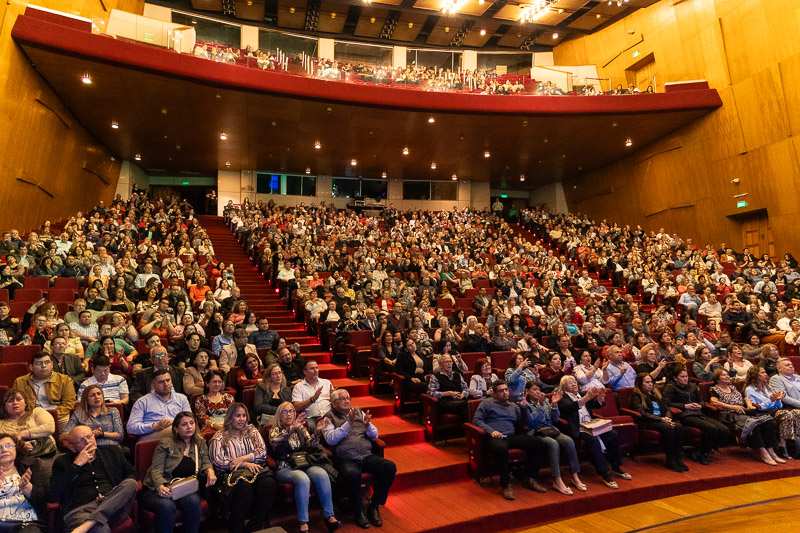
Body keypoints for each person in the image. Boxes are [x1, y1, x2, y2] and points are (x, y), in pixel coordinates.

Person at [323, 389, 396, 529]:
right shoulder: (328, 417)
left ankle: (374, 506)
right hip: (346, 459)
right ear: (333, 403)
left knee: (389, 467)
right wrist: (348, 423)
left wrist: (368, 425)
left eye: (348, 398)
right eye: (342, 398)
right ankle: (358, 512)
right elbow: (331, 439)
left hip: (366, 455)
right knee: (352, 474)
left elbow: (374, 436)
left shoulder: (358, 412)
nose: (346, 401)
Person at [49, 425, 138, 533]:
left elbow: (131, 474)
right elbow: (53, 495)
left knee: (131, 483)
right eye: (82, 440)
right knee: (100, 528)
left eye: (89, 436)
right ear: (72, 447)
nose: (88, 441)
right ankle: (93, 522)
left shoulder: (112, 452)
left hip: (113, 508)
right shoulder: (62, 462)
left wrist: (115, 492)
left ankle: (89, 523)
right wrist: (76, 466)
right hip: (80, 512)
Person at [269, 402, 341, 532]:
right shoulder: (274, 430)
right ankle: (303, 522)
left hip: (303, 463)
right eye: (285, 412)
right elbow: (275, 441)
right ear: (279, 415)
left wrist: (317, 432)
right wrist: (291, 429)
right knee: (303, 479)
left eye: (291, 411)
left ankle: (329, 516)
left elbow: (311, 445)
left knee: (322, 474)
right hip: (285, 467)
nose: (289, 414)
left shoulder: (301, 428)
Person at [142, 412, 216, 533]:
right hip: (159, 489)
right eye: (184, 424)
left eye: (192, 423)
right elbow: (156, 469)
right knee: (167, 506)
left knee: (193, 501)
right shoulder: (166, 443)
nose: (189, 427)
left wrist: (210, 471)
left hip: (183, 488)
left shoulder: (200, 443)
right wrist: (160, 486)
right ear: (176, 429)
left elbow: (205, 460)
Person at [208, 403, 277, 533]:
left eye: (244, 415)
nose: (242, 419)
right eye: (238, 416)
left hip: (254, 471)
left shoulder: (252, 430)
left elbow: (262, 452)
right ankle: (236, 528)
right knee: (244, 489)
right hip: (229, 476)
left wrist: (243, 458)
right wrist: (245, 463)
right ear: (230, 418)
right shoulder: (219, 436)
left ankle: (254, 526)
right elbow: (218, 461)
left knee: (269, 483)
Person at [471, 380, 546, 500]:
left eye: (506, 390)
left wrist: (523, 408)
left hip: (510, 436)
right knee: (501, 449)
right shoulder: (486, 404)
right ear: (494, 393)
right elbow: (477, 420)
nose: (505, 393)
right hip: (494, 437)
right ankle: (505, 484)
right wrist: (491, 431)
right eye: (501, 391)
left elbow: (525, 423)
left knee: (538, 443)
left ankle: (529, 477)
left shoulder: (513, 405)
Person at [557, 375, 631, 488]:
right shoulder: (562, 398)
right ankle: (604, 473)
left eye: (574, 381)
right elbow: (570, 407)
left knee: (612, 435)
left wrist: (600, 398)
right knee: (593, 440)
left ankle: (616, 467)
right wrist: (586, 397)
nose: (574, 384)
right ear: (563, 387)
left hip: (590, 424)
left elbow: (594, 404)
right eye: (570, 383)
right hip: (578, 428)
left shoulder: (581, 394)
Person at [709, 368, 782, 465]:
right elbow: (713, 402)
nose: (727, 376)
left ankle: (771, 451)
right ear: (717, 379)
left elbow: (745, 397)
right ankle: (763, 452)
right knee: (754, 423)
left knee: (767, 421)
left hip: (743, 411)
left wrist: (748, 403)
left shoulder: (733, 388)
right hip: (729, 414)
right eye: (723, 375)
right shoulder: (714, 389)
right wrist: (733, 407)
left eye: (727, 374)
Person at [524, 381, 584, 495]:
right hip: (535, 432)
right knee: (553, 444)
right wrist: (540, 407)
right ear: (527, 391)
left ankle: (575, 476)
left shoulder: (546, 400)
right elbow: (531, 422)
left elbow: (555, 419)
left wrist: (554, 405)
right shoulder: (525, 404)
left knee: (568, 440)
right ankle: (557, 479)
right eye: (534, 389)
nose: (538, 392)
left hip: (550, 430)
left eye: (539, 389)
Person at [662, 366, 730, 465]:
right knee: (712, 428)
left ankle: (699, 449)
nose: (686, 378)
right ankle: (704, 453)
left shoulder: (692, 386)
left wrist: (700, 405)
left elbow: (701, 400)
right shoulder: (670, 387)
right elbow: (666, 403)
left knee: (724, 430)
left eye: (686, 376)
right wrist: (685, 406)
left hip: (698, 413)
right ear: (675, 378)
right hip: (684, 415)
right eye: (682, 377)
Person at [629, 373, 688, 472]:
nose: (650, 384)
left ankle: (677, 457)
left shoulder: (656, 394)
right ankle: (670, 459)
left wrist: (668, 418)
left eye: (651, 382)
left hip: (662, 420)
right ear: (640, 384)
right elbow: (642, 413)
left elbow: (667, 408)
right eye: (647, 382)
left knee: (679, 427)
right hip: (647, 422)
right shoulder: (636, 395)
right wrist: (661, 419)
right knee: (668, 428)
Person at [745, 365, 800, 460]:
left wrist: (778, 399)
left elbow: (779, 406)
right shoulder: (749, 389)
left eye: (765, 372)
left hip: (775, 410)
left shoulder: (768, 387)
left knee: (797, 412)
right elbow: (757, 407)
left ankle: (790, 444)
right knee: (788, 414)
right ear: (755, 375)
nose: (765, 374)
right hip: (763, 412)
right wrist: (771, 400)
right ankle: (783, 446)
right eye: (762, 372)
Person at [13, 352, 76, 433]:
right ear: (31, 367)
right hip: (31, 417)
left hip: (58, 416)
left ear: (52, 364)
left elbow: (69, 403)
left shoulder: (64, 380)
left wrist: (52, 416)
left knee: (69, 427)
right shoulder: (20, 382)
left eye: (47, 362)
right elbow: (16, 403)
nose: (43, 366)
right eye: (39, 363)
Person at [0, 433, 48, 532]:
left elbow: (43, 498)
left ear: (16, 449)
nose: (4, 449)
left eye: (8, 445)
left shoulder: (29, 466)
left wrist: (27, 488)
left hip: (26, 523)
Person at [128, 370, 191, 441]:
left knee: (190, 430)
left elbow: (190, 420)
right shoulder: (142, 401)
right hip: (151, 436)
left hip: (178, 433)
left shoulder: (182, 398)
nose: (166, 384)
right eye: (161, 382)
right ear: (153, 385)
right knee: (177, 430)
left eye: (168, 380)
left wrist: (174, 422)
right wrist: (154, 426)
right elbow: (131, 427)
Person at [0, 389, 56, 460]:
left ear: (25, 402)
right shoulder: (1, 423)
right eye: (10, 401)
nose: (15, 403)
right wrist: (19, 445)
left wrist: (22, 434)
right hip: (15, 459)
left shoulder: (36, 412)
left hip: (44, 454)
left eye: (18, 399)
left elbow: (50, 428)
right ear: (4, 406)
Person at [292, 359, 334, 433]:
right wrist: (312, 399)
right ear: (305, 372)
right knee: (310, 427)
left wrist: (334, 397)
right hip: (311, 418)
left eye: (316, 368)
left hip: (329, 415)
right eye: (312, 368)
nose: (315, 370)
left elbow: (334, 402)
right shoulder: (298, 387)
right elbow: (296, 407)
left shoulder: (326, 382)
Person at [426, 353, 469, 417]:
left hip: (459, 400)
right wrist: (448, 393)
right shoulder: (435, 377)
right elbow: (431, 393)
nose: (449, 364)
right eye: (446, 362)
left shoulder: (457, 375)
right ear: (440, 365)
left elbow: (465, 388)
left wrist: (463, 395)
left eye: (450, 361)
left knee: (467, 410)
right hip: (445, 402)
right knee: (469, 404)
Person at [195, 370, 233, 438]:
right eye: (214, 382)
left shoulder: (228, 397)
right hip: (211, 428)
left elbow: (233, 414)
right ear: (207, 383)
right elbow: (203, 418)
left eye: (219, 382)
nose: (217, 384)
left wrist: (226, 426)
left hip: (228, 426)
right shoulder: (200, 400)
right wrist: (216, 426)